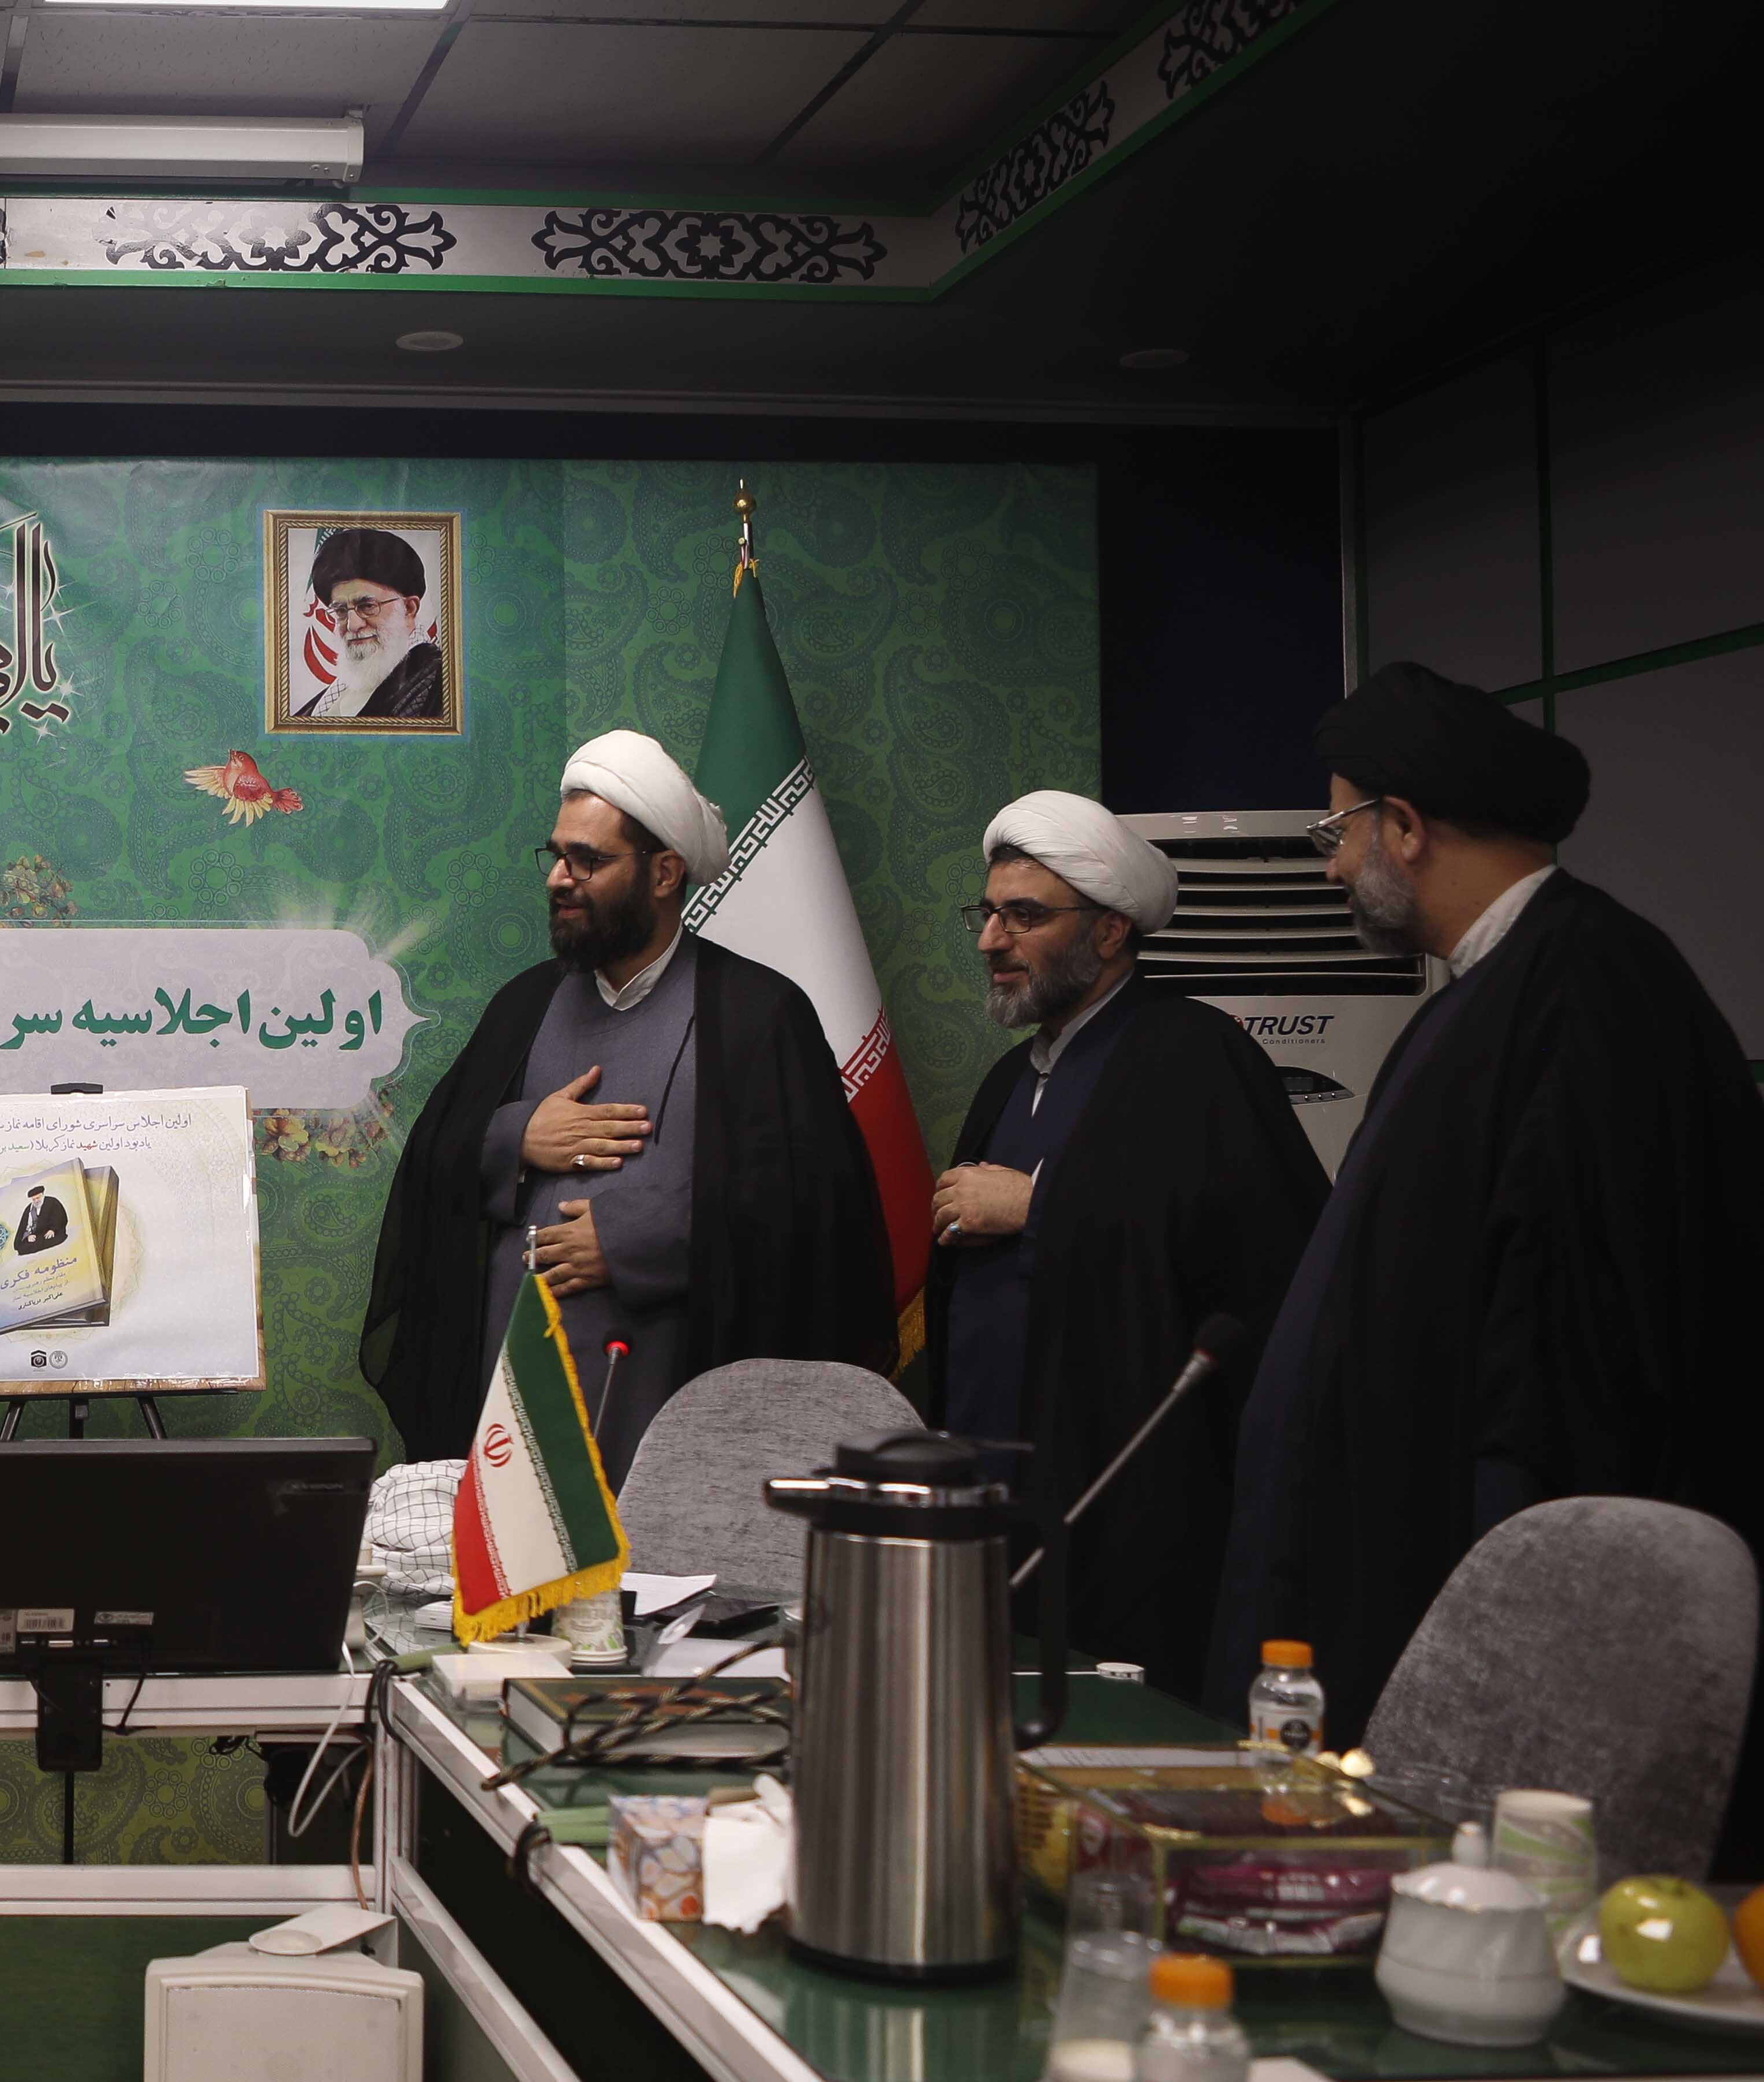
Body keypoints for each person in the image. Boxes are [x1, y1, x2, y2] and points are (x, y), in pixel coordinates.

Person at [1207, 665, 1764, 1864]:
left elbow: (1568, 1371)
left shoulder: (1593, 995)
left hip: (1495, 1600)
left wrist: (1494, 1617)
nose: (1330, 868)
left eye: (1338, 833)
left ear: (1404, 827)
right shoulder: (1491, 994)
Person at [364, 729, 892, 1472]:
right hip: (512, 1412)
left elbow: (818, 1217)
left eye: (589, 860)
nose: (560, 879)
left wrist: (641, 1241)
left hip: (680, 1414)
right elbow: (431, 1160)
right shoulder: (525, 1005)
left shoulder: (759, 1014)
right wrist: (516, 1138)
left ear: (665, 872)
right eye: (557, 856)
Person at [930, 792, 1323, 1695]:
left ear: (1110, 931)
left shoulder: (1196, 1055)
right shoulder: (1009, 1077)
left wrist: (1043, 1208)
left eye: (1024, 917)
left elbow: (1265, 1257)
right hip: (995, 1488)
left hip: (1129, 1496)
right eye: (987, 913)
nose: (991, 940)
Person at [293, 526, 445, 725]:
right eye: (341, 611)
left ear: (408, 609)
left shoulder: (442, 683)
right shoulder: (329, 697)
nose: (353, 625)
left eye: (367, 606)